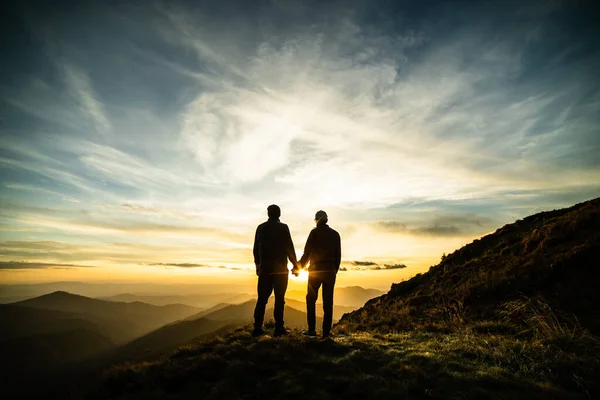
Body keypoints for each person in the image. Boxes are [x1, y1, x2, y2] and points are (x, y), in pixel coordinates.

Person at [252, 204, 299, 337]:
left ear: (268, 214)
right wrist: (296, 265)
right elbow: (289, 247)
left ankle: (257, 328)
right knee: (279, 299)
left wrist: (258, 265)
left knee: (262, 299)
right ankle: (279, 328)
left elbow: (255, 249)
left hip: (265, 269)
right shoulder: (283, 228)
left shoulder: (261, 228)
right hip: (280, 270)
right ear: (279, 214)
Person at [298, 210, 341, 339]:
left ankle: (311, 331)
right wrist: (334, 271)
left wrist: (298, 267)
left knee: (311, 300)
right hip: (330, 272)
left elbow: (307, 253)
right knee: (328, 302)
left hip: (315, 271)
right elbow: (338, 256)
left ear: (316, 220)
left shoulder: (314, 233)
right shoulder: (335, 234)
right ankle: (326, 333)